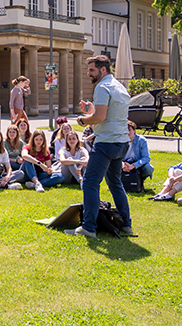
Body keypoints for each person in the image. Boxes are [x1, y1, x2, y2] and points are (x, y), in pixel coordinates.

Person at [66, 55, 133, 239]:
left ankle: (88, 228)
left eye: (92, 70)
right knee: (115, 184)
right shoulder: (120, 87)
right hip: (121, 143)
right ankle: (126, 226)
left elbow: (100, 118)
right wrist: (91, 109)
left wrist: (82, 119)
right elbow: (109, 114)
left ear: (103, 70)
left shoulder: (102, 87)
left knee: (89, 183)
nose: (89, 74)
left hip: (106, 143)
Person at [122, 121, 153, 188]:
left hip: (137, 164)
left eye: (129, 130)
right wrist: (122, 164)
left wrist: (133, 165)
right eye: (125, 130)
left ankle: (140, 181)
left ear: (134, 130)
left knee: (148, 168)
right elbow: (115, 156)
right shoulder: (120, 140)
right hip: (124, 163)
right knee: (109, 165)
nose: (128, 133)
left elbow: (146, 158)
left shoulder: (141, 140)